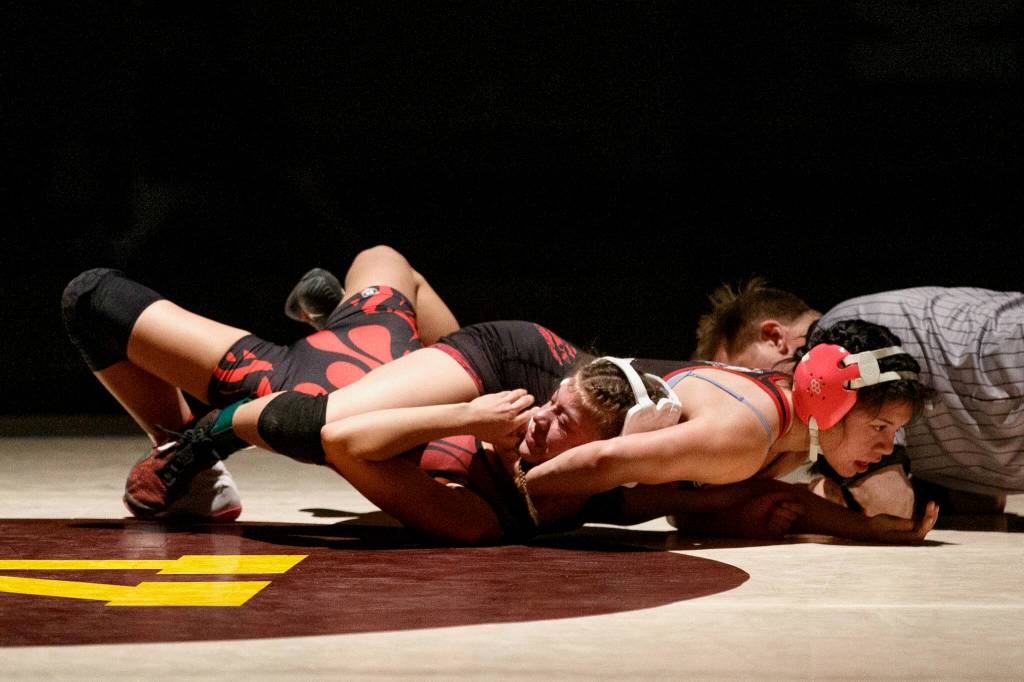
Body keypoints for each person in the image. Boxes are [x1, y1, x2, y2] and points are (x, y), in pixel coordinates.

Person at [62, 245, 461, 521]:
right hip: (397, 353)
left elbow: (343, 441)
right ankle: (340, 316)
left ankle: (193, 469)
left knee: (88, 298)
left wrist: (206, 441)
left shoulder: (478, 509)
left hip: (308, 388)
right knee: (382, 257)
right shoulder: (510, 406)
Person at [694, 279, 1024, 517]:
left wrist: (799, 496)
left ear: (774, 337)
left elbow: (889, 505)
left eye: (742, 377)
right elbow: (981, 503)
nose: (743, 399)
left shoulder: (840, 347)